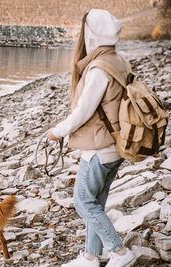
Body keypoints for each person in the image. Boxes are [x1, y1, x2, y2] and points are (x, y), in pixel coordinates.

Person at [45, 9, 135, 267]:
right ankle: (91, 256)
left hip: (99, 147)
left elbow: (84, 111)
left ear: (91, 34)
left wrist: (57, 131)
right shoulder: (119, 59)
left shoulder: (98, 68)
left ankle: (119, 253)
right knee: (96, 203)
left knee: (83, 202)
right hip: (116, 145)